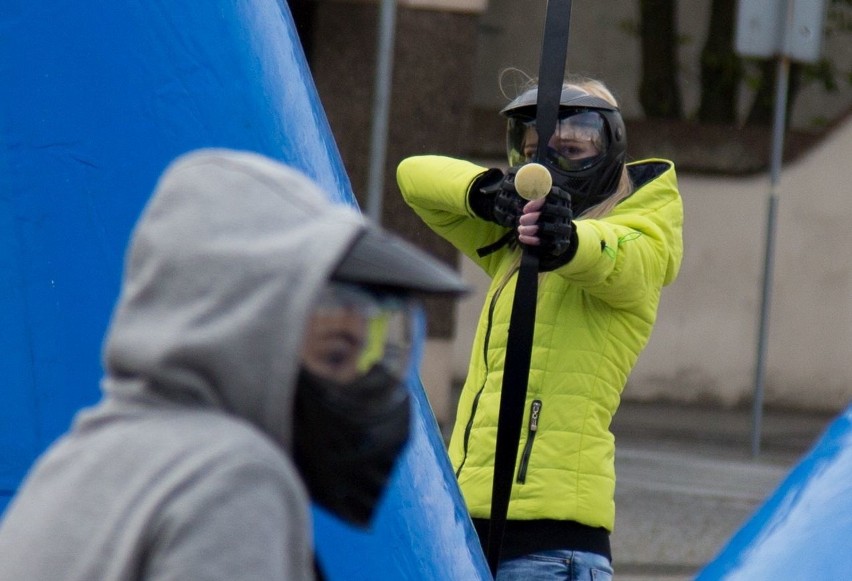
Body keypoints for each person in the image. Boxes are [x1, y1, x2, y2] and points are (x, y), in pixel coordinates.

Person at [0, 149, 467, 581]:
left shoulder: (78, 459)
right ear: (247, 329)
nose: (367, 383)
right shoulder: (232, 478)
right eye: (336, 354)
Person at [397, 77, 683, 580]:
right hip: (467, 529)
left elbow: (616, 258)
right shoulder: (517, 241)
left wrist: (566, 242)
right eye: (534, 153)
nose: (549, 169)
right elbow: (412, 176)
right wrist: (489, 195)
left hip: (551, 545)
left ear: (608, 148)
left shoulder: (642, 237)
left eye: (571, 149)